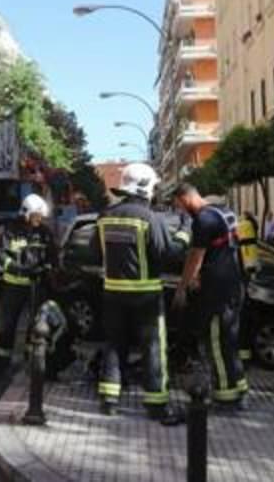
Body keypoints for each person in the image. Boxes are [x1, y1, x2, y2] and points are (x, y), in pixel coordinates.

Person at [90, 163, 185, 425]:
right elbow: (166, 254)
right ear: (144, 187)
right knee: (153, 349)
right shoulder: (149, 218)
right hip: (146, 296)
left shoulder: (104, 216)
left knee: (113, 345)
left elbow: (95, 254)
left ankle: (109, 400)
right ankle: (157, 405)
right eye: (153, 186)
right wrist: (184, 237)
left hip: (112, 294)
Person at [172, 182, 249, 410]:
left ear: (185, 198)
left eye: (178, 205)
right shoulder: (224, 212)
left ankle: (226, 397)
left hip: (216, 293)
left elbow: (196, 256)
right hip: (234, 287)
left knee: (216, 344)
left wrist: (183, 287)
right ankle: (240, 389)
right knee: (230, 343)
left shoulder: (203, 221)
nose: (180, 210)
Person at [0, 193, 55, 375]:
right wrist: (15, 268)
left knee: (36, 325)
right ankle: (2, 361)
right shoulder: (11, 230)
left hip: (36, 284)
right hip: (13, 286)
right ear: (27, 213)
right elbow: (0, 253)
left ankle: (31, 362)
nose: (39, 219)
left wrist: (46, 268)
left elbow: (52, 255)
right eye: (36, 216)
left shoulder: (44, 232)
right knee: (8, 325)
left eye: (41, 217)